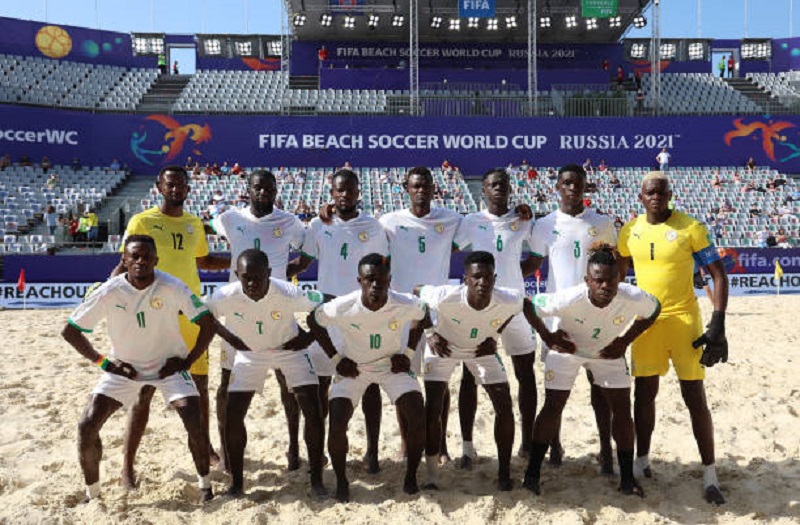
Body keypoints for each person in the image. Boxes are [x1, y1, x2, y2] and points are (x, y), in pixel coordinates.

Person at [61, 235, 217, 503]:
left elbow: (208, 323)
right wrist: (105, 363)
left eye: (147, 256)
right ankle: (93, 495)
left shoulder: (172, 286)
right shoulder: (110, 290)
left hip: (169, 367)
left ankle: (206, 487)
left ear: (156, 260)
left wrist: (187, 361)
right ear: (125, 260)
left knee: (194, 419)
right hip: (125, 369)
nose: (141, 261)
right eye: (135, 256)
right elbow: (70, 331)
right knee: (87, 424)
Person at [618, 171, 729, 505]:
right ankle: (643, 462)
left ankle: (710, 474)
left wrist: (718, 324)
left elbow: (718, 275)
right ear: (641, 197)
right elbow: (619, 276)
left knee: (694, 396)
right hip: (646, 322)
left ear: (669, 195)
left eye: (662, 192)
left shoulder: (690, 227)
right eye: (650, 192)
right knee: (644, 395)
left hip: (684, 320)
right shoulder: (630, 231)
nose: (656, 197)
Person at [116, 165, 230, 489]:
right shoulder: (142, 221)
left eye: (181, 184)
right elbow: (126, 263)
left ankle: (206, 449)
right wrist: (110, 294)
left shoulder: (195, 224)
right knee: (145, 392)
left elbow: (203, 262)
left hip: (190, 317)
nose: (176, 188)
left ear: (188, 188)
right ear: (159, 187)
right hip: (153, 318)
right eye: (170, 184)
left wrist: (238, 260)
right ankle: (127, 468)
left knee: (200, 388)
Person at [522, 243, 660, 497]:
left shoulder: (633, 296)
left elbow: (655, 310)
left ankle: (627, 479)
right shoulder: (568, 297)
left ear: (619, 278)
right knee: (553, 406)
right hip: (568, 350)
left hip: (608, 352)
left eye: (611, 280)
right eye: (598, 281)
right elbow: (527, 305)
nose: (605, 286)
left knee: (621, 410)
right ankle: (532, 474)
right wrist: (549, 337)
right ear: (587, 280)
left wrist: (624, 340)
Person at [210, 169, 310, 473]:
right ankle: (228, 452)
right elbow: (208, 249)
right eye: (258, 188)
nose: (263, 193)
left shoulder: (289, 221)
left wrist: (282, 277)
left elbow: (306, 256)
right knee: (227, 386)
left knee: (288, 385)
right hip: (239, 311)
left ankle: (294, 447)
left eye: (268, 188)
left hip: (278, 309)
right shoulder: (229, 219)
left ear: (276, 190)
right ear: (248, 190)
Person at [206, 249, 327, 498]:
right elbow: (200, 313)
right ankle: (237, 484)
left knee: (312, 410)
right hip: (250, 354)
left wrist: (309, 336)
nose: (251, 283)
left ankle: (317, 480)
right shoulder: (225, 295)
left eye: (258, 277)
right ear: (236, 275)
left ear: (269, 274)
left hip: (289, 349)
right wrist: (229, 337)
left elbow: (326, 302)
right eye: (245, 277)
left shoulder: (287, 292)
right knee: (232, 415)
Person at [307, 254, 427, 502]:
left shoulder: (404, 302)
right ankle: (341, 481)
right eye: (369, 279)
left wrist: (408, 352)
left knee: (417, 413)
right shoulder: (343, 305)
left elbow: (423, 315)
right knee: (337, 419)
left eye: (381, 279)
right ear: (359, 280)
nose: (376, 285)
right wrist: (336, 359)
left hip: (391, 366)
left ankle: (411, 477)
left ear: (389, 279)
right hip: (354, 368)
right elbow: (313, 320)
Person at [298, 169, 389, 474]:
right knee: (322, 383)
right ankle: (322, 449)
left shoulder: (374, 227)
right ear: (332, 193)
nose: (345, 195)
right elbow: (304, 262)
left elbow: (382, 270)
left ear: (358, 193)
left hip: (362, 312)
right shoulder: (316, 224)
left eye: (350, 191)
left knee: (370, 383)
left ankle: (373, 452)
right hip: (328, 310)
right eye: (340, 191)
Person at [528, 164, 618, 471]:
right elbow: (534, 261)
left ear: (584, 187)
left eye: (577, 183)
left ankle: (606, 449)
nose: (571, 188)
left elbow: (615, 266)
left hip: (596, 316)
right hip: (558, 318)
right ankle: (554, 446)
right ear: (557, 186)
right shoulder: (544, 224)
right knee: (556, 394)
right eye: (566, 183)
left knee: (600, 390)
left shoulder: (602, 224)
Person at [415, 251, 521, 492]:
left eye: (487, 277)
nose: (482, 282)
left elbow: (517, 309)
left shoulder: (508, 299)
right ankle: (432, 474)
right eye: (476, 277)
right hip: (444, 348)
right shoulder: (445, 296)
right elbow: (416, 292)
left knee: (504, 406)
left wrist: (494, 336)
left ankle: (504, 473)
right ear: (465, 279)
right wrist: (430, 334)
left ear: (495, 278)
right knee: (432, 409)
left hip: (481, 350)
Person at [453, 168, 537, 464]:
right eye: (492, 184)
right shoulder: (471, 222)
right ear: (484, 191)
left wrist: (512, 277)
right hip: (479, 307)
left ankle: (527, 443)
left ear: (510, 188)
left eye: (503, 184)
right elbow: (448, 248)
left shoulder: (523, 219)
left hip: (513, 306)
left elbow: (536, 257)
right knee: (469, 375)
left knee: (525, 372)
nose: (498, 188)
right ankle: (466, 446)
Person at [379, 166, 463, 463]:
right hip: (402, 316)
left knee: (439, 384)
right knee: (404, 381)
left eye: (426, 185)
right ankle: (405, 444)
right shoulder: (389, 221)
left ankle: (440, 445)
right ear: (407, 188)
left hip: (438, 315)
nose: (421, 190)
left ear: (433, 189)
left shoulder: (451, 219)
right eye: (416, 186)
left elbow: (482, 226)